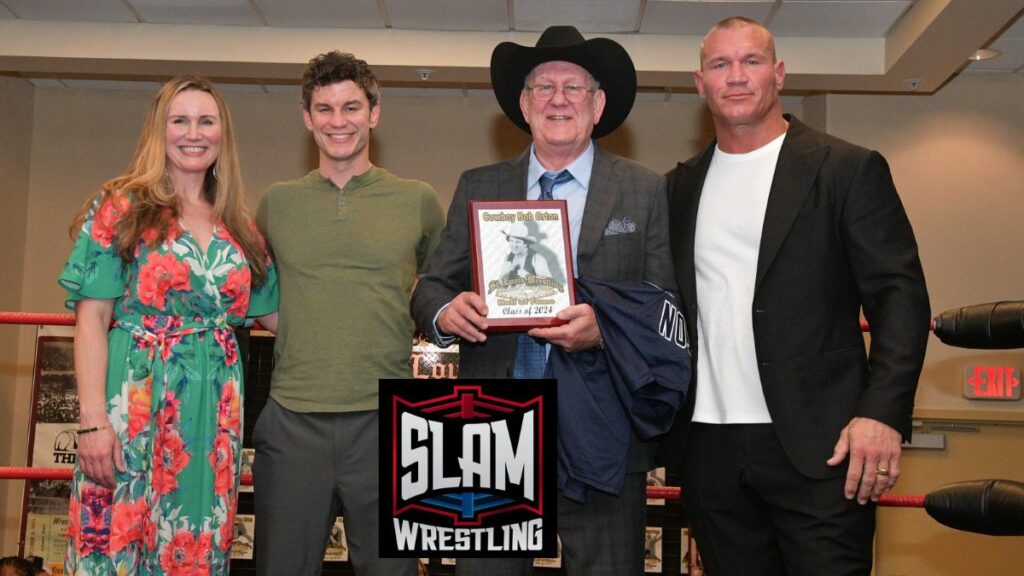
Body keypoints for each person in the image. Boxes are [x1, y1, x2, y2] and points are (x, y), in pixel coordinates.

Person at [660, 17, 931, 575]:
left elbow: (900, 297)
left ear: (778, 75)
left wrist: (881, 414)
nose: (736, 77)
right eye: (720, 64)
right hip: (709, 448)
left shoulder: (847, 169)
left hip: (824, 446)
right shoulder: (679, 185)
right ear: (699, 83)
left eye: (751, 61)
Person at [411, 25, 676, 576]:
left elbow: (665, 306)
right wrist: (444, 312)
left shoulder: (645, 190)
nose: (559, 99)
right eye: (544, 87)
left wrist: (603, 327)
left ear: (598, 104)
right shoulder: (478, 184)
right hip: (492, 427)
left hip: (604, 426)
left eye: (574, 88)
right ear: (524, 106)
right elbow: (431, 286)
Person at [58, 76, 278, 575]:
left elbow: (278, 315)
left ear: (223, 134)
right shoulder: (120, 206)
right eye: (179, 121)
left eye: (206, 121)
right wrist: (92, 422)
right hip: (131, 405)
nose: (192, 133)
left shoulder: (239, 225)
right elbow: (91, 317)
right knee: (111, 545)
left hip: (211, 423)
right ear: (160, 131)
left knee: (193, 549)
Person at [252, 51, 444, 576]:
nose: (339, 121)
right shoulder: (276, 203)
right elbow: (253, 295)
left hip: (387, 419)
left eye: (351, 107)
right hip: (293, 419)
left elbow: (438, 291)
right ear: (307, 117)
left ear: (374, 113)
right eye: (325, 108)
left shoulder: (418, 201)